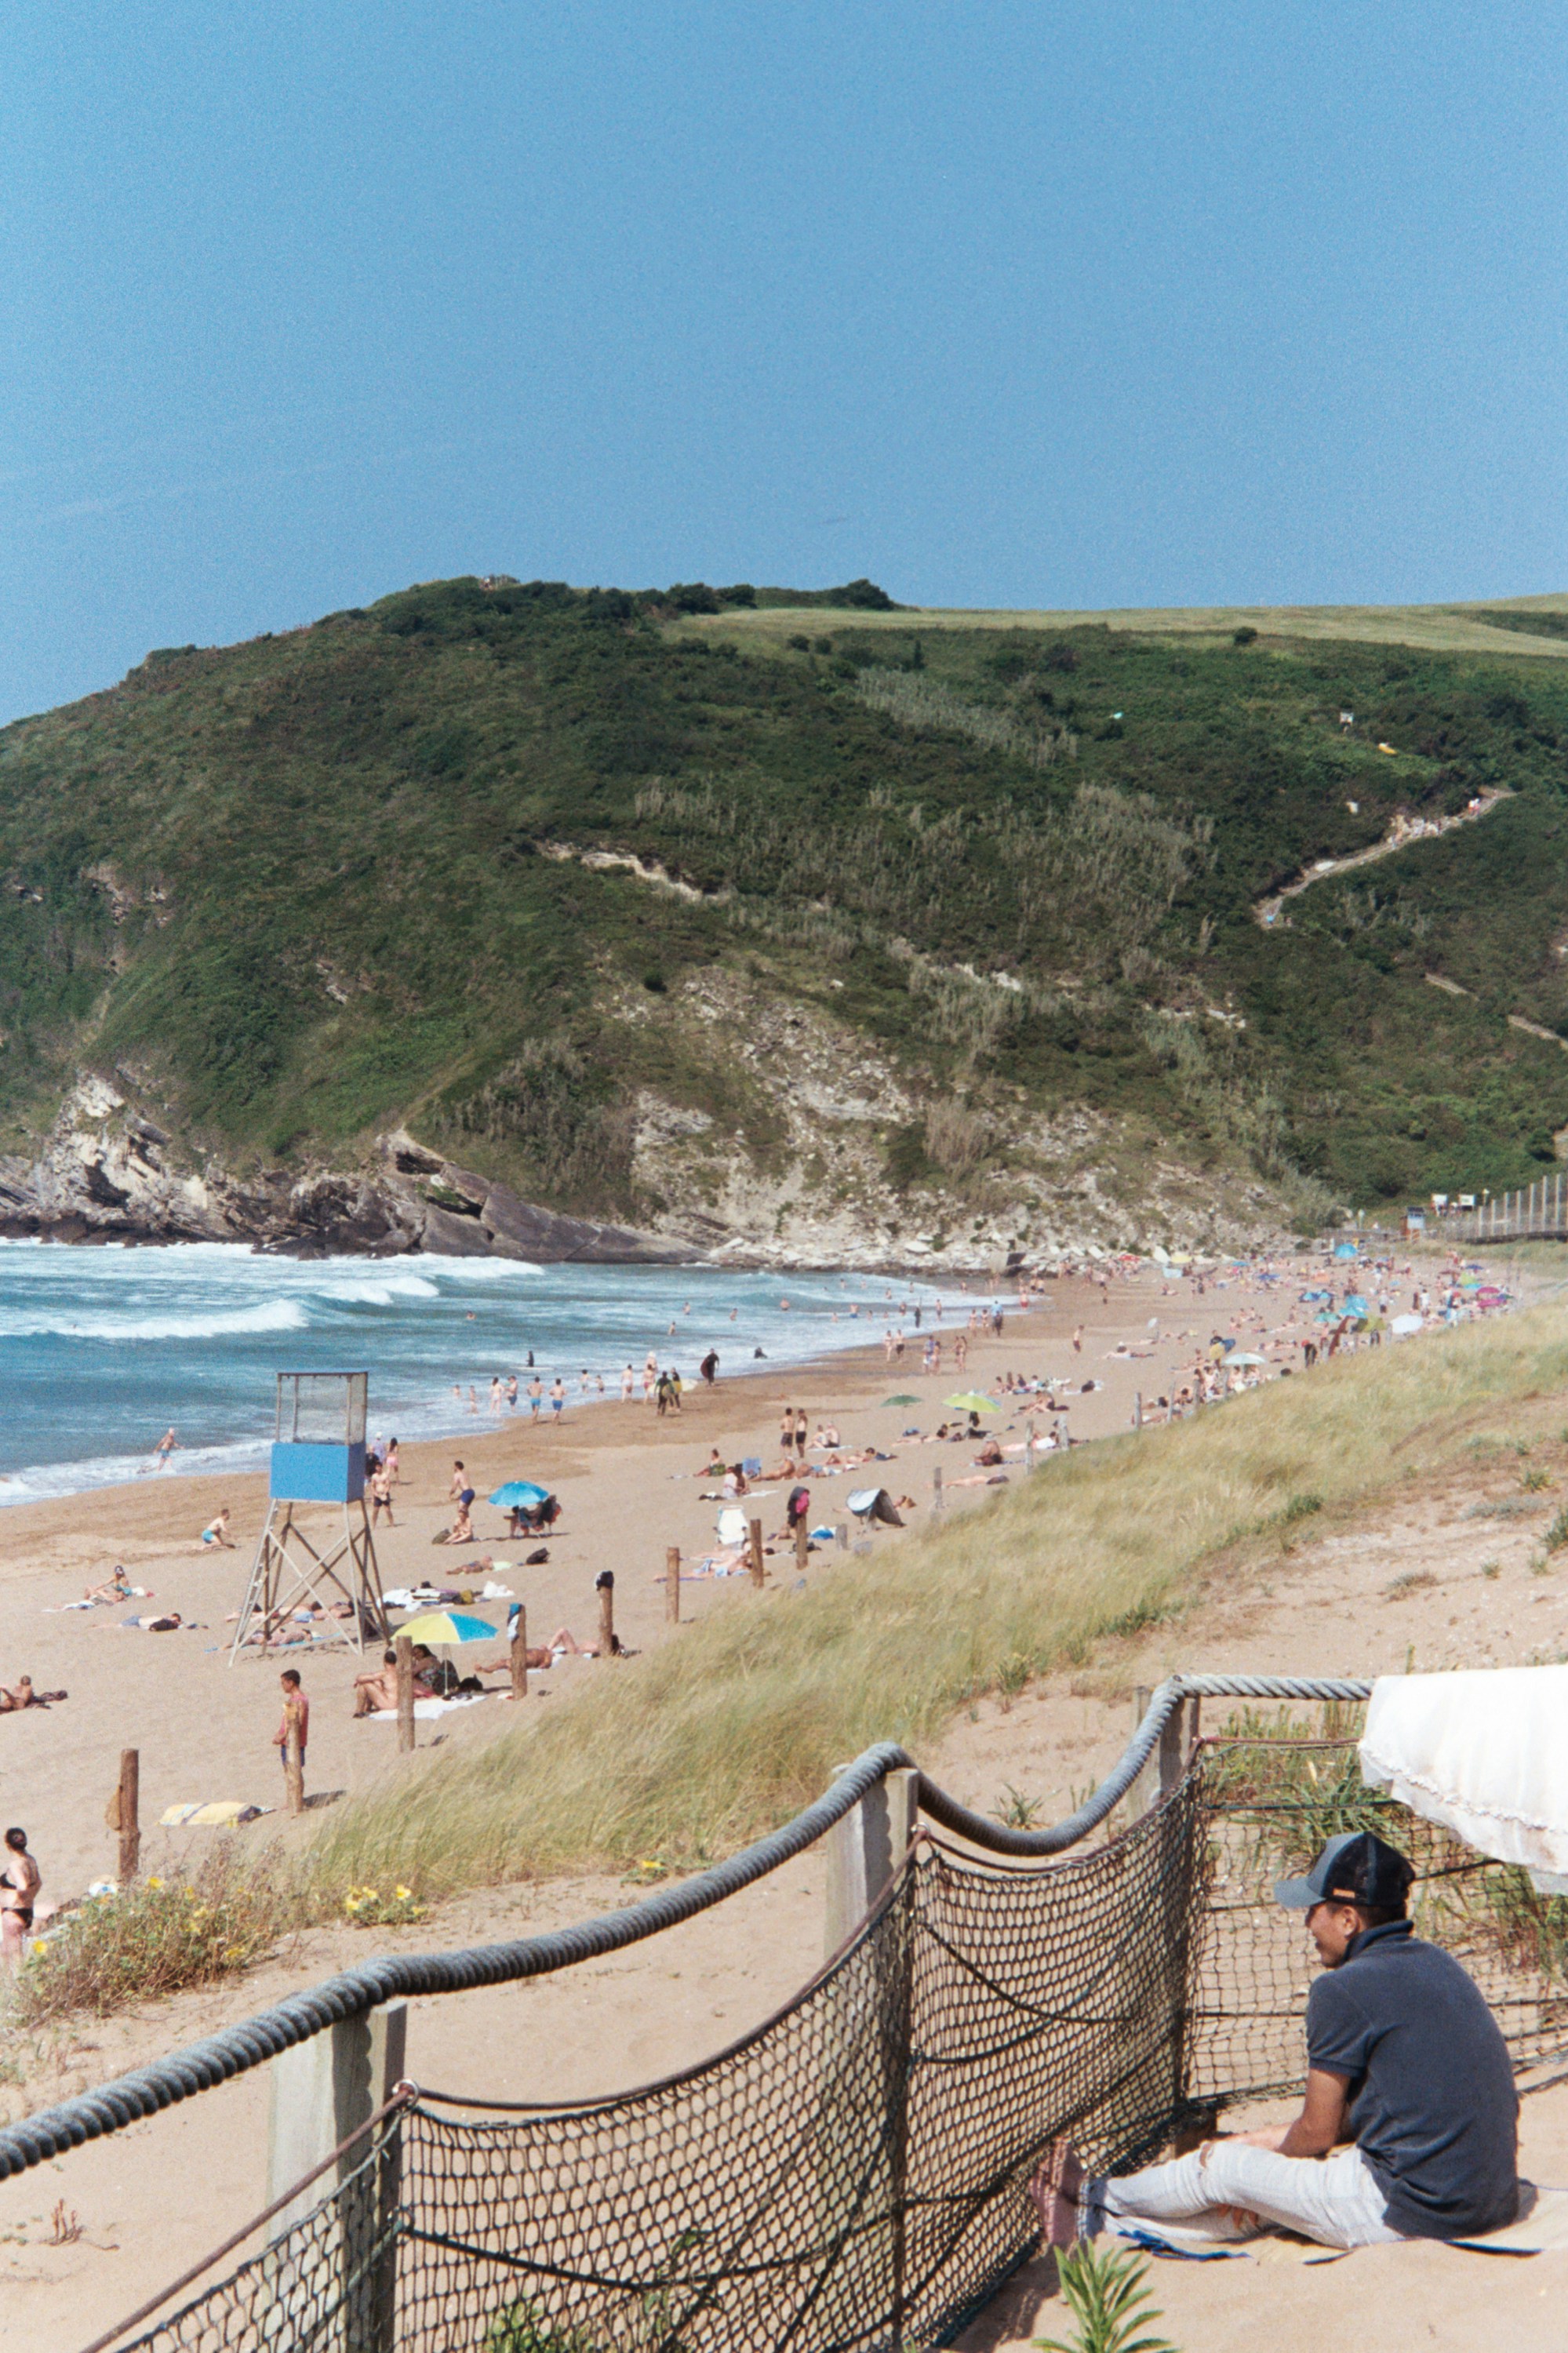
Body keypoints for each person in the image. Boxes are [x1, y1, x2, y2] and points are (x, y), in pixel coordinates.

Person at [1032, 1830, 1519, 2253]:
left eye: (1314, 1909)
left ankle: (1094, 2196)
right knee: (1258, 2202)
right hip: (1486, 2202)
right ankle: (1104, 2225)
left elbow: (1318, 2134)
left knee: (1220, 2169)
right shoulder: (1438, 1963)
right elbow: (1368, 2115)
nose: (1308, 1923)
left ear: (1348, 1920)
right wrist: (1260, 2142)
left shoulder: (1342, 1989)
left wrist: (1252, 2155)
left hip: (1408, 2209)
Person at [0, 1829, 40, 1962]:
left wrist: (15, 1901)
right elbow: (38, 1883)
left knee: (16, 1957)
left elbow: (22, 1886)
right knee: (5, 1952)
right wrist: (30, 1898)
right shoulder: (30, 1860)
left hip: (13, 1913)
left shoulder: (15, 1864)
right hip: (27, 1911)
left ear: (8, 1845)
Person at [273, 1669, 309, 1781]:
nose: (282, 1686)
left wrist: (283, 1735)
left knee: (294, 1774)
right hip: (288, 1741)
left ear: (291, 1682)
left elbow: (299, 1723)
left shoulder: (300, 1700)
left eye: (283, 1683)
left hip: (294, 1743)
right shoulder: (294, 1699)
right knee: (290, 1773)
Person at [369, 1462, 395, 1526]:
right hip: (377, 1494)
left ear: (381, 1467)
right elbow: (373, 1486)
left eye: (379, 1467)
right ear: (375, 1468)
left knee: (388, 1510)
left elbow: (388, 1485)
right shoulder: (374, 1476)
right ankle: (373, 1525)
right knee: (376, 1511)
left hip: (384, 1494)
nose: (378, 1468)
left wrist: (385, 1493)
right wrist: (374, 1495)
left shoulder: (385, 1475)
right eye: (377, 1467)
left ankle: (392, 1523)